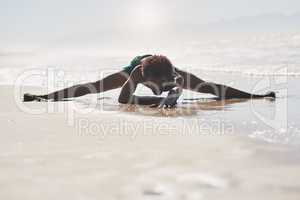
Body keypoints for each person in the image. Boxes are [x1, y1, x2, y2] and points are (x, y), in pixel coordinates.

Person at [23, 55, 275, 107]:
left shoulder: (174, 75)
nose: (158, 88)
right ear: (144, 78)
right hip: (139, 64)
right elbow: (123, 100)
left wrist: (257, 96)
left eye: (161, 84)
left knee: (205, 86)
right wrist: (156, 97)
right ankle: (46, 96)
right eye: (154, 85)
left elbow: (214, 89)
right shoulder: (133, 74)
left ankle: (256, 96)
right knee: (94, 87)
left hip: (162, 66)